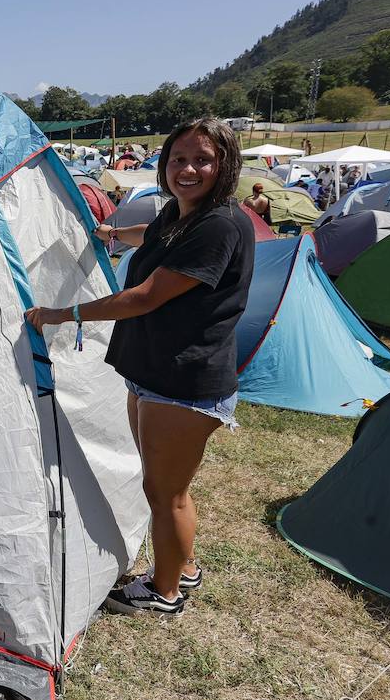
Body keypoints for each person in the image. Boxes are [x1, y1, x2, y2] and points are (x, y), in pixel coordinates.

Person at [27, 118, 254, 617]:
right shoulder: (180, 214)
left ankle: (166, 592)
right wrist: (108, 231)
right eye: (178, 159)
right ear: (164, 163)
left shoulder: (218, 225)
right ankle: (184, 566)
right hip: (155, 375)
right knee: (168, 487)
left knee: (165, 493)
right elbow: (149, 235)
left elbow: (147, 296)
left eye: (203, 159)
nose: (188, 169)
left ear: (225, 165)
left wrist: (62, 315)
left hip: (184, 383)